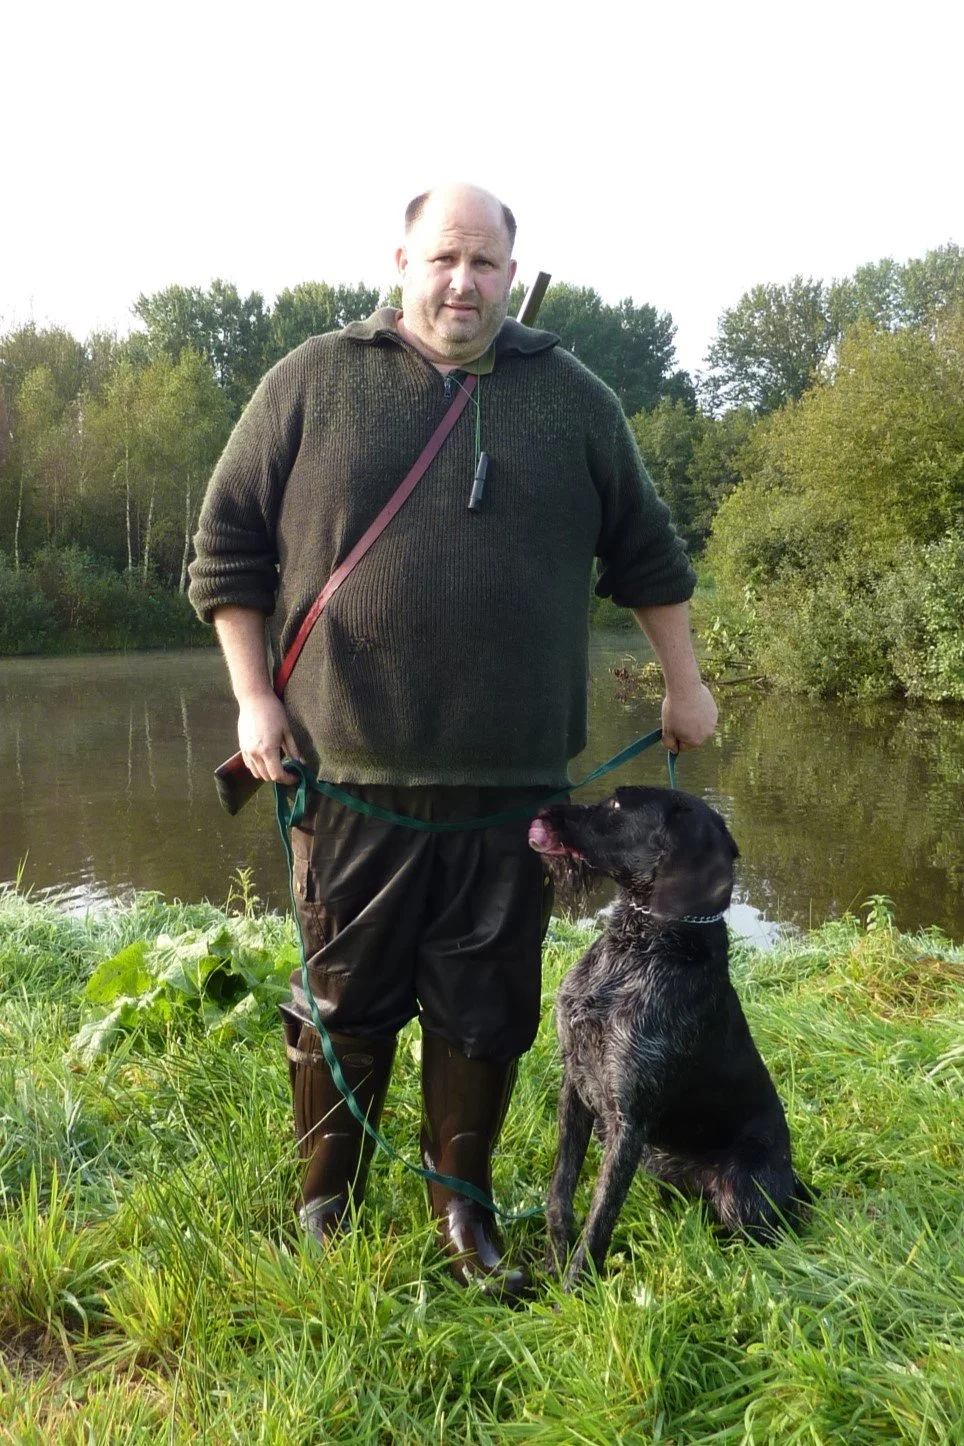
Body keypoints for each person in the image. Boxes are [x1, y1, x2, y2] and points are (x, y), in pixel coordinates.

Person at [188, 182, 717, 1297]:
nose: (463, 282)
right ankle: (324, 1208)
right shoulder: (310, 381)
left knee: (485, 1011)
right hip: (346, 774)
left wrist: (686, 684)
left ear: (512, 275)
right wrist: (253, 699)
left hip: (515, 788)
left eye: (484, 263)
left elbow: (649, 555)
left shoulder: (574, 399)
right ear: (403, 262)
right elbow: (226, 547)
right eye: (443, 259)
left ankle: (462, 1220)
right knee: (344, 1002)